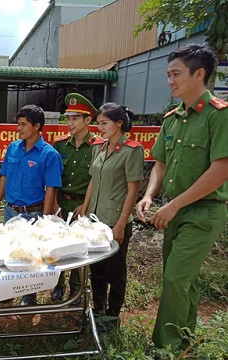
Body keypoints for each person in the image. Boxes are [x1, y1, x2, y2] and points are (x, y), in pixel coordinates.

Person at [136, 44, 228, 356]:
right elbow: (159, 164)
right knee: (180, 280)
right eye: (168, 75)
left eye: (176, 74)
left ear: (199, 74)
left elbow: (221, 169)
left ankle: (165, 347)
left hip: (203, 212)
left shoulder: (219, 115)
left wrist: (174, 204)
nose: (170, 81)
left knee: (175, 278)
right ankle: (186, 338)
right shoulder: (172, 119)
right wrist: (149, 196)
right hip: (172, 211)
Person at [0, 104, 63, 307]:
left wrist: (46, 220)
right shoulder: (13, 148)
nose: (18, 129)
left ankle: (29, 296)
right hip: (10, 211)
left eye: (23, 124)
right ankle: (6, 294)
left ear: (37, 126)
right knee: (9, 252)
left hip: (34, 213)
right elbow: (4, 175)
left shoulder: (49, 155)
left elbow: (51, 189)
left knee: (31, 256)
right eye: (18, 124)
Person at [80, 103, 144, 328]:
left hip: (115, 219)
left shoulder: (132, 150)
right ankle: (98, 309)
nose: (100, 128)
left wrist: (121, 222)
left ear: (119, 123)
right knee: (97, 267)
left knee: (115, 269)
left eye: (104, 123)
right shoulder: (99, 147)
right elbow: (93, 180)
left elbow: (133, 189)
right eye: (98, 123)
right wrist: (84, 208)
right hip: (95, 219)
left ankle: (113, 314)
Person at [51, 93, 99, 303]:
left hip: (83, 203)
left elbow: (95, 179)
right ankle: (57, 286)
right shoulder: (60, 145)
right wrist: (53, 204)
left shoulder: (98, 146)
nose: (69, 123)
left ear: (88, 120)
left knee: (80, 247)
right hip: (61, 202)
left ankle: (76, 289)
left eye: (75, 118)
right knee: (58, 245)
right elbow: (51, 177)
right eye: (67, 118)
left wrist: (85, 206)